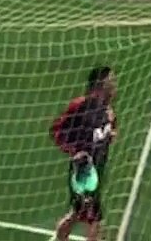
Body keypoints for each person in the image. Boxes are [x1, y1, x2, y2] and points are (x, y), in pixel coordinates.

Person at [51, 66, 118, 241]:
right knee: (95, 220)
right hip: (83, 173)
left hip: (97, 172)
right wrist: (74, 152)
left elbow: (106, 132)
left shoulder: (107, 110)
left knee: (76, 214)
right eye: (111, 81)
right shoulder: (81, 106)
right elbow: (57, 131)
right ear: (101, 84)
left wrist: (109, 136)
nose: (115, 85)